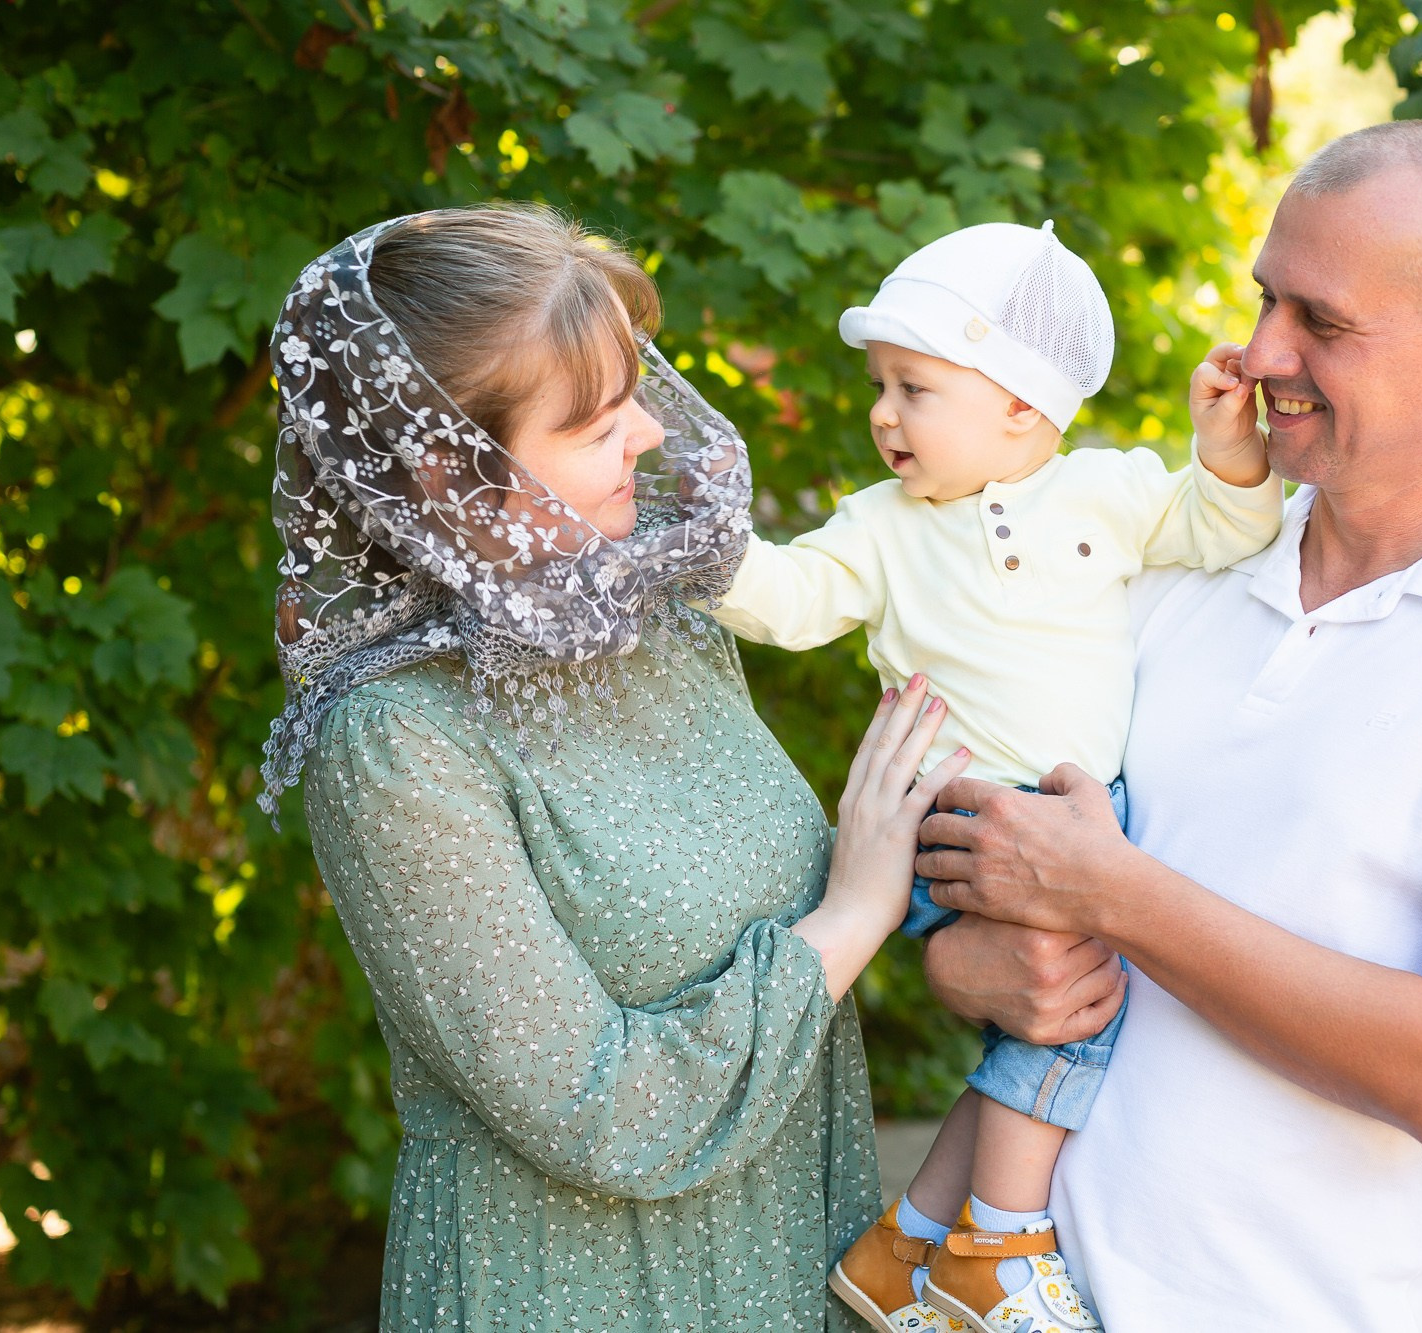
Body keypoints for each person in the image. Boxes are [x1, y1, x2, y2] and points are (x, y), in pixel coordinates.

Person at [912, 121, 1422, 1331]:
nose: (1263, 349)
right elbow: (993, 872)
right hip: (1000, 1299)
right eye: (1266, 298)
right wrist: (962, 964)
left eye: (1321, 323)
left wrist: (1114, 895)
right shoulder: (1173, 558)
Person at [259, 205, 969, 1331]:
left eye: (636, 392)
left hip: (783, 1266)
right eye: (595, 424)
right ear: (445, 476)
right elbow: (607, 1111)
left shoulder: (665, 630)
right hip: (569, 1291)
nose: (645, 433)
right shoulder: (396, 743)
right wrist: (856, 913)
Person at [708, 220, 1283, 1332]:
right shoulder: (877, 529)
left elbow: (1222, 529)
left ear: (1020, 404)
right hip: (970, 820)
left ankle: (909, 1240)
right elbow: (787, 602)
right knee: (1072, 1016)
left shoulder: (1110, 491)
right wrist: (699, 553)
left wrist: (1226, 449)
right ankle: (1001, 1247)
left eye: (913, 387)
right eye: (879, 385)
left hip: (1071, 819)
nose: (881, 413)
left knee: (1045, 1019)